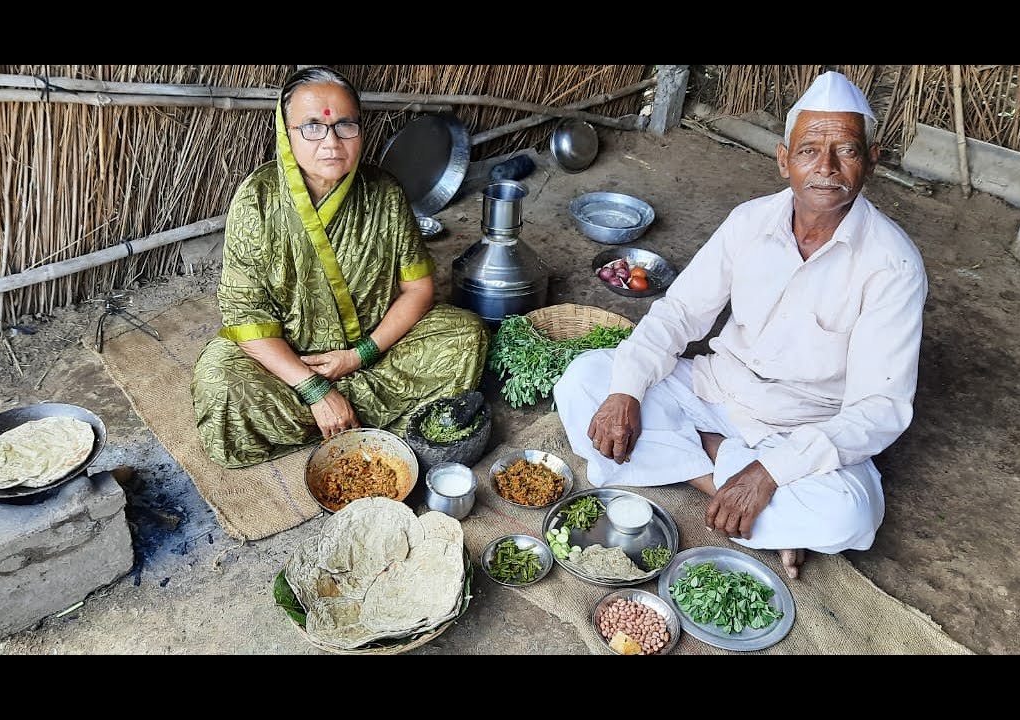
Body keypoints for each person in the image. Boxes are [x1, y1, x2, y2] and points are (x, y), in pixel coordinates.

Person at [554, 71, 928, 579]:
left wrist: (771, 471)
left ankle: (701, 464)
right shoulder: (750, 221)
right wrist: (625, 392)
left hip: (803, 429)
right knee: (585, 380)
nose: (826, 168)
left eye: (846, 151)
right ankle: (727, 486)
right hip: (716, 392)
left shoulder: (893, 264)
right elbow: (679, 312)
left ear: (872, 159)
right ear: (783, 160)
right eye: (809, 151)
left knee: (848, 514)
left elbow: (881, 408)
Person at [191, 66, 488, 469]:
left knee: (466, 333)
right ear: (286, 133)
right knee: (219, 379)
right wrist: (314, 388)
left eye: (345, 125)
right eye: (312, 127)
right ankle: (350, 412)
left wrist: (358, 355)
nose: (331, 142)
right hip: (290, 365)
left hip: (375, 351)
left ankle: (337, 416)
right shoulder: (257, 199)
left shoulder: (384, 192)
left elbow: (418, 290)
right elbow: (245, 318)